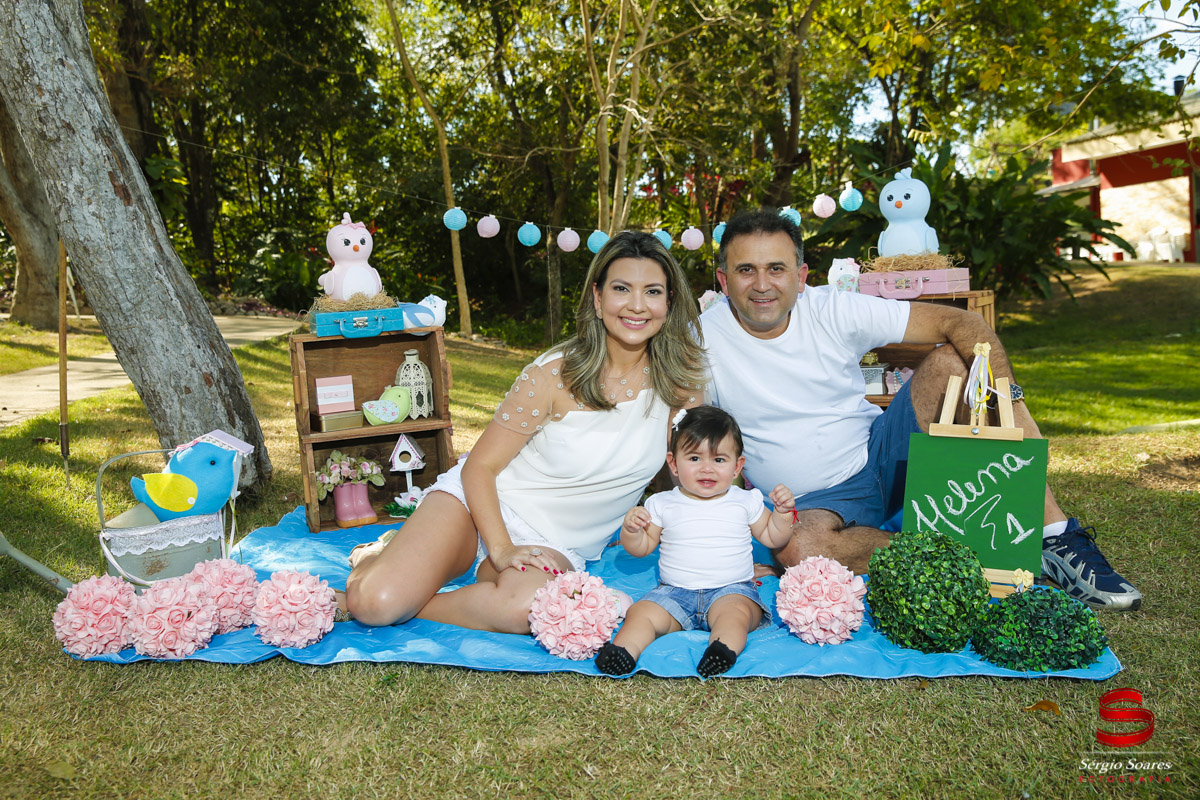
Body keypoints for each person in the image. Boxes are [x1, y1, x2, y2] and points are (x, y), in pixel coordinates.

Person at [699, 209, 1141, 610]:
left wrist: (1007, 400)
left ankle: (1057, 538)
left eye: (776, 268)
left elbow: (964, 322)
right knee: (796, 549)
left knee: (954, 363)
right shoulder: (700, 340)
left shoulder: (831, 308)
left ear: (801, 274)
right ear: (723, 280)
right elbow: (690, 437)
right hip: (808, 504)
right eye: (745, 270)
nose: (762, 284)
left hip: (883, 456)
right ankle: (971, 554)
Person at [343, 231, 706, 631]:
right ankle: (375, 560)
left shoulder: (682, 387)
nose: (637, 305)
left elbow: (699, 478)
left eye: (652, 291)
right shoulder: (552, 374)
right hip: (480, 507)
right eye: (622, 289)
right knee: (373, 603)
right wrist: (501, 549)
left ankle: (415, 599)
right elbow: (479, 467)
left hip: (557, 543)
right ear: (598, 299)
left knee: (529, 607)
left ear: (669, 303)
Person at [595, 405, 796, 677]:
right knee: (642, 612)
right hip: (673, 594)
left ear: (738, 466)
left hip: (730, 590)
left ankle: (722, 649)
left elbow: (773, 536)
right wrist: (632, 531)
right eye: (694, 458)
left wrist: (783, 515)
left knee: (737, 614)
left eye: (719, 460)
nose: (707, 469)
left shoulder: (745, 500)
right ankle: (624, 651)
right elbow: (642, 548)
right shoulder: (662, 503)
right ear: (674, 464)